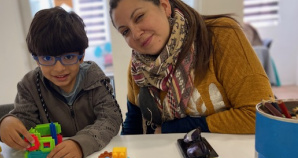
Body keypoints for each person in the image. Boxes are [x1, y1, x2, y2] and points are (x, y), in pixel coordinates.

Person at [109, 0, 275, 134]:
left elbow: (260, 117)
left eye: (139, 17)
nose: (136, 34)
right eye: (125, 31)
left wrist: (173, 128)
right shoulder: (137, 69)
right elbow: (134, 124)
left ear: (164, 6)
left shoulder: (221, 35)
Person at [0, 7, 122, 158]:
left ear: (81, 56)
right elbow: (25, 121)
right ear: (36, 59)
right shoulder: (30, 85)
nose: (59, 68)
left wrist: (80, 143)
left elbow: (111, 118)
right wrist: (8, 122)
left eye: (68, 57)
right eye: (47, 58)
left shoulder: (95, 79)